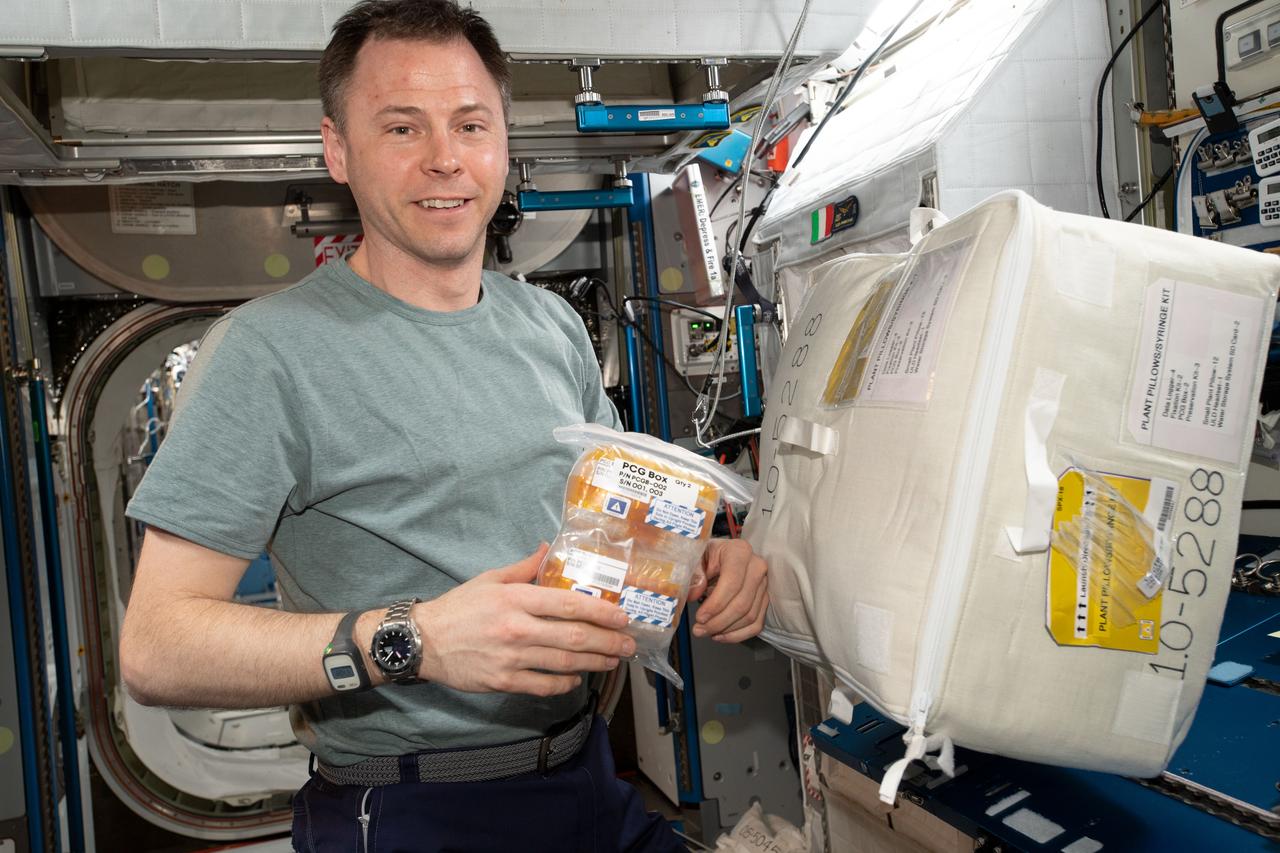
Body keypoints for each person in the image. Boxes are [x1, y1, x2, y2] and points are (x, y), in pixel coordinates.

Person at [118, 1, 770, 850]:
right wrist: (415, 639)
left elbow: (612, 537)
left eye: (470, 123)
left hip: (584, 778)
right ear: (337, 151)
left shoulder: (550, 325)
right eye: (402, 127)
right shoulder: (269, 353)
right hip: (410, 809)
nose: (445, 158)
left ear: (502, 140)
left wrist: (701, 558)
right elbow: (157, 648)